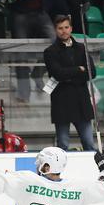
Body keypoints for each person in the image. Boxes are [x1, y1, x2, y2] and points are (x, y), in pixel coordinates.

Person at [43, 15, 97, 151]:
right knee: (62, 145)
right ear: (55, 30)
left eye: (66, 27)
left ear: (71, 28)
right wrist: (79, 69)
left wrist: (68, 74)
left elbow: (92, 72)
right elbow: (58, 74)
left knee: (89, 143)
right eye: (60, 28)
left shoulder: (81, 48)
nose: (64, 31)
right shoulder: (50, 52)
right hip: (62, 101)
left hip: (81, 101)